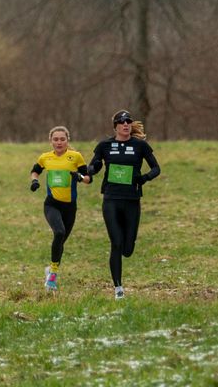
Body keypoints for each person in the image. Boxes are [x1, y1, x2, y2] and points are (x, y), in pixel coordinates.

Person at [87, 110, 160, 299]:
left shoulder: (140, 145)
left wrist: (143, 178)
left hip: (132, 200)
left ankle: (126, 253)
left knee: (128, 249)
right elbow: (94, 165)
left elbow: (156, 168)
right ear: (115, 126)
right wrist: (91, 170)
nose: (126, 124)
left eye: (128, 121)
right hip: (111, 199)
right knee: (116, 243)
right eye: (122, 122)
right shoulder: (105, 145)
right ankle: (118, 288)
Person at [30, 126, 91, 291]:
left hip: (70, 207)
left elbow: (88, 178)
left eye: (62, 139)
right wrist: (34, 181)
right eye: (55, 139)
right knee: (59, 232)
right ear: (51, 141)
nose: (59, 142)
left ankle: (50, 269)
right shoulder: (45, 158)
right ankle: (52, 277)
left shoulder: (76, 157)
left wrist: (79, 177)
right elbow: (34, 171)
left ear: (67, 141)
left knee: (61, 242)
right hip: (52, 204)